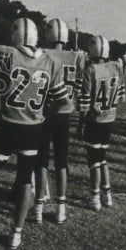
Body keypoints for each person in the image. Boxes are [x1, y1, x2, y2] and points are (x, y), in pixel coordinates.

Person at [0, 17, 68, 250]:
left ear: (16, 35)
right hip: (33, 129)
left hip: (9, 124)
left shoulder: (4, 54)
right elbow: (63, 101)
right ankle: (16, 233)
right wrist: (43, 114)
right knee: (25, 180)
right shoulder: (50, 61)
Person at [34, 18, 87, 224]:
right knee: (62, 162)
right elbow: (81, 83)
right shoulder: (77, 56)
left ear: (49, 34)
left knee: (41, 162)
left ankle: (39, 207)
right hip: (65, 114)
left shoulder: (44, 54)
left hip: (45, 113)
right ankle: (61, 209)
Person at [76, 34, 126, 211]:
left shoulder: (91, 69)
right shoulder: (116, 67)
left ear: (92, 49)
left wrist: (80, 124)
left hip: (94, 121)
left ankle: (95, 197)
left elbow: (84, 103)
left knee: (94, 162)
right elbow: (120, 97)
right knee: (102, 159)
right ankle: (108, 195)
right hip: (109, 119)